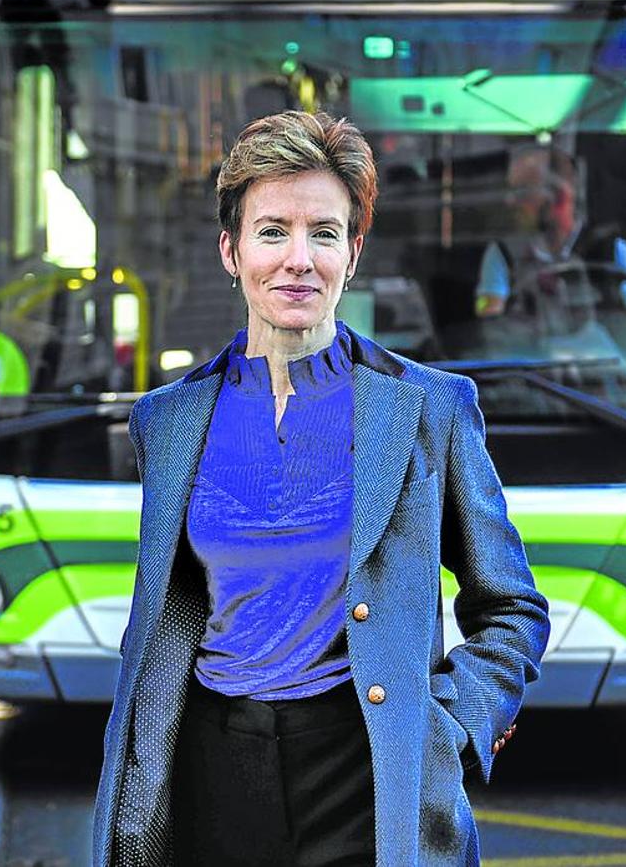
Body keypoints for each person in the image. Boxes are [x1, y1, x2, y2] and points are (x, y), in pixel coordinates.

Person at [92, 111, 550, 867]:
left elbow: (512, 606)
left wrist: (456, 724)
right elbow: (170, 612)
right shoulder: (167, 424)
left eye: (324, 233)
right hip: (210, 768)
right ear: (231, 251)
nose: (297, 259)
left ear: (353, 251)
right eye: (272, 232)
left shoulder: (428, 408)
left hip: (361, 773)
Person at [475, 144, 626, 322]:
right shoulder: (503, 254)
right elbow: (490, 325)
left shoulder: (613, 252)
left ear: (560, 197)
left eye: (522, 191)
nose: (510, 202)